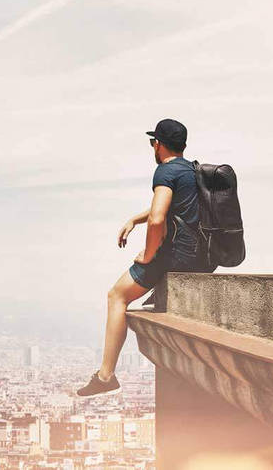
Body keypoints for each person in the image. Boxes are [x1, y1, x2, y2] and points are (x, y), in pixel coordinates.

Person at [77, 118, 215, 396]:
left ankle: (106, 376)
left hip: (175, 256)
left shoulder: (165, 171)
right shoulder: (191, 170)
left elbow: (157, 218)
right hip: (201, 255)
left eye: (154, 142)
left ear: (159, 144)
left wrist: (149, 255)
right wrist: (134, 220)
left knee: (117, 295)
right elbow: (170, 208)